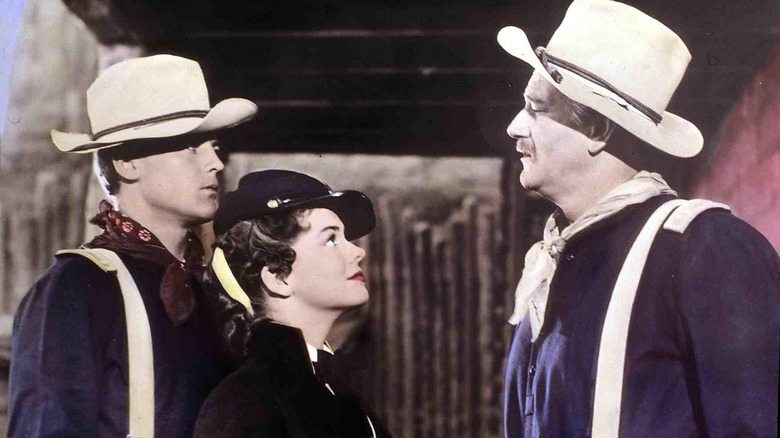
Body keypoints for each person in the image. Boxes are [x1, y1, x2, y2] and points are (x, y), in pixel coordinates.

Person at [496, 0, 779, 437]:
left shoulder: (701, 248)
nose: (515, 126)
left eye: (536, 108)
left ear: (597, 131)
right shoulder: (549, 270)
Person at [8, 54, 257, 437]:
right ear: (126, 162)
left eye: (214, 146)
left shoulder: (212, 293)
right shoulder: (76, 287)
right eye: (191, 147)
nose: (216, 163)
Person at [193, 169, 392, 438]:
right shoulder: (246, 402)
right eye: (331, 239)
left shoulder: (335, 389)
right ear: (278, 277)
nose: (358, 251)